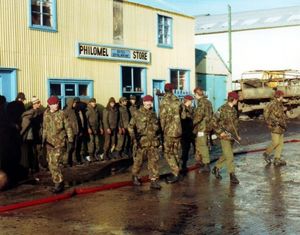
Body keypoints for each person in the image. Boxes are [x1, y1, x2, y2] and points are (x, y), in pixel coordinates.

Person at [128, 95, 161, 190]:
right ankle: (135, 176)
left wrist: (158, 138)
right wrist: (134, 139)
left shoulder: (153, 114)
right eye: (147, 102)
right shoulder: (137, 113)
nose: (149, 103)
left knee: (153, 162)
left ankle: (154, 180)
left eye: (150, 102)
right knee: (139, 161)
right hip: (141, 142)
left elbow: (157, 128)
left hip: (153, 142)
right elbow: (130, 127)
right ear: (143, 102)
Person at [42, 96, 73, 193]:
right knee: (50, 163)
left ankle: (58, 183)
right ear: (49, 105)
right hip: (49, 143)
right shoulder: (46, 114)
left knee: (55, 163)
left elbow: (68, 127)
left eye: (57, 103)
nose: (56, 105)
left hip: (59, 142)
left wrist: (70, 139)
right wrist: (43, 141)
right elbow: (45, 128)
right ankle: (59, 181)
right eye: (54, 104)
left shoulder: (62, 113)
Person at [211, 91, 240, 185]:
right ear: (233, 99)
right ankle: (232, 175)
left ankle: (216, 168)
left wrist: (237, 135)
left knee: (227, 154)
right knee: (230, 156)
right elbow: (213, 121)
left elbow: (235, 124)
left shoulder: (234, 110)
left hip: (232, 137)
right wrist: (220, 132)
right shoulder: (222, 109)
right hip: (224, 137)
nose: (237, 101)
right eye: (237, 99)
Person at [159, 83, 182, 184]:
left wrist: (161, 129)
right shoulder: (177, 100)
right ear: (172, 90)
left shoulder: (163, 101)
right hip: (178, 130)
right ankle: (176, 172)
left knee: (168, 152)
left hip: (169, 131)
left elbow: (162, 117)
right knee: (175, 151)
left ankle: (175, 172)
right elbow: (183, 115)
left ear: (165, 90)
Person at [20, 96, 44, 173]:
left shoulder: (39, 112)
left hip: (36, 135)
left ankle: (36, 166)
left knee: (37, 151)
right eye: (38, 103)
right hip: (31, 136)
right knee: (32, 152)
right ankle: (33, 167)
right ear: (34, 104)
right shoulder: (31, 113)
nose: (40, 104)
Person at [263, 90, 287, 166]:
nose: (283, 97)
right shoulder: (272, 104)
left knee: (280, 143)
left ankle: (277, 159)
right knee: (275, 142)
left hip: (281, 126)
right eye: (282, 96)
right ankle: (266, 153)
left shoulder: (279, 104)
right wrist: (270, 123)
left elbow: (280, 114)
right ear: (279, 96)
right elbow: (266, 114)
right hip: (275, 126)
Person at [193, 87, 213, 173]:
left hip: (202, 127)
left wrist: (192, 123)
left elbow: (199, 116)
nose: (194, 96)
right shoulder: (208, 102)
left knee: (203, 146)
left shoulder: (201, 103)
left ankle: (206, 165)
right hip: (208, 126)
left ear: (197, 94)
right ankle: (203, 162)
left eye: (195, 94)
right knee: (205, 144)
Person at [64, 97, 82, 165]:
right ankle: (66, 161)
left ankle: (74, 160)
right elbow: (64, 123)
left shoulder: (74, 111)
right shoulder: (66, 111)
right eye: (74, 103)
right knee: (69, 147)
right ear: (70, 103)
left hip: (75, 132)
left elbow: (77, 122)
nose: (75, 104)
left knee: (75, 147)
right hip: (70, 133)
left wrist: (78, 130)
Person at [85, 98, 103, 162]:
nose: (94, 103)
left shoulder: (96, 110)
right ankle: (91, 155)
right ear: (90, 103)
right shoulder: (87, 110)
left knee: (97, 142)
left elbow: (99, 120)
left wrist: (100, 128)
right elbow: (86, 121)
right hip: (91, 129)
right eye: (93, 102)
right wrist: (88, 128)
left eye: (95, 102)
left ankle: (96, 154)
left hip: (96, 129)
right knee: (91, 143)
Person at [180, 95, 194, 173]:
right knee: (184, 149)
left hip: (190, 131)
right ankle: (183, 165)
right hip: (184, 131)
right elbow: (183, 118)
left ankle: (184, 164)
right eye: (190, 101)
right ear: (187, 101)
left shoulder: (190, 108)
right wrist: (185, 109)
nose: (191, 102)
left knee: (188, 148)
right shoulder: (182, 108)